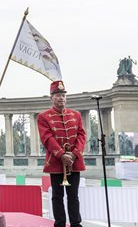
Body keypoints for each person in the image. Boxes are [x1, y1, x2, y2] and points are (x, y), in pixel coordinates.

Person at [37, 80, 86, 227]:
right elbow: (46, 138)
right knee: (57, 196)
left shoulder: (76, 115)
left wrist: (74, 154)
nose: (61, 98)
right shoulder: (44, 116)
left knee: (73, 196)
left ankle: (76, 223)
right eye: (57, 95)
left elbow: (81, 135)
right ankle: (60, 223)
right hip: (56, 161)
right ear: (51, 98)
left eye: (63, 95)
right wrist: (61, 154)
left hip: (74, 161)